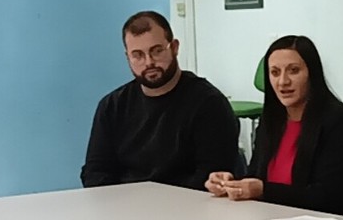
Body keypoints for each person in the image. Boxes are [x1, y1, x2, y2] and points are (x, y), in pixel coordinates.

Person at [205, 35, 343, 220]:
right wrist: (230, 184)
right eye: (275, 73)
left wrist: (263, 190)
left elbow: (330, 197)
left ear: (312, 73)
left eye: (294, 71)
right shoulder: (271, 120)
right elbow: (255, 176)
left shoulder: (341, 121)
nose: (283, 81)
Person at [81, 11, 238, 191]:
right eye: (138, 55)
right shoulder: (112, 106)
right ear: (127, 57)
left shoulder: (209, 103)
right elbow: (95, 172)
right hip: (126, 203)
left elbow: (212, 177)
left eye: (156, 51)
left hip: (186, 203)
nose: (149, 62)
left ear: (174, 47)